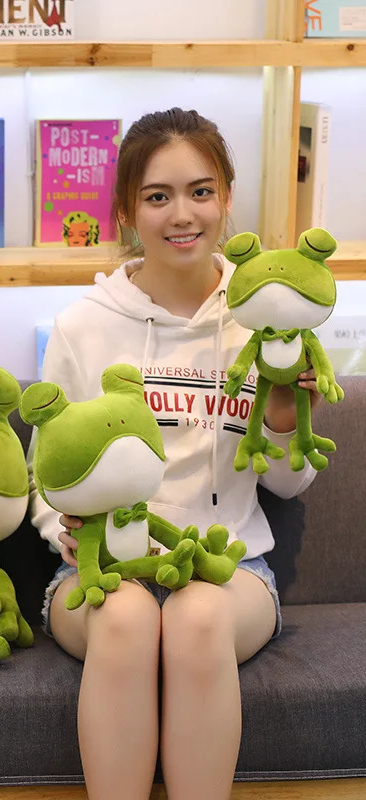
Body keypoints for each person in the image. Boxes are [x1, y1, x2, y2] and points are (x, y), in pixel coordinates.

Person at [30, 107, 322, 800]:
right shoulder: (81, 327)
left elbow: (289, 485)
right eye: (158, 196)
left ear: (226, 197)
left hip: (233, 569)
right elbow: (43, 473)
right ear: (127, 210)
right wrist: (62, 526)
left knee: (195, 615)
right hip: (101, 567)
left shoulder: (264, 320)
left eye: (201, 191)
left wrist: (285, 411)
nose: (182, 214)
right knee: (127, 616)